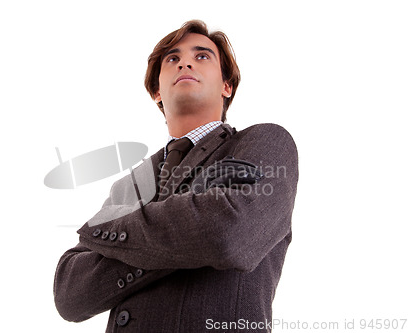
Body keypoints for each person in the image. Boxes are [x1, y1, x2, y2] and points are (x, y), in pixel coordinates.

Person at [54, 20, 299, 332]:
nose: (185, 62)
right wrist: (192, 215)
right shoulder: (129, 184)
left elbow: (226, 234)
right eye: (172, 59)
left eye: (202, 56)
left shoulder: (265, 142)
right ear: (156, 92)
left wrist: (107, 230)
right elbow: (70, 293)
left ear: (227, 86)